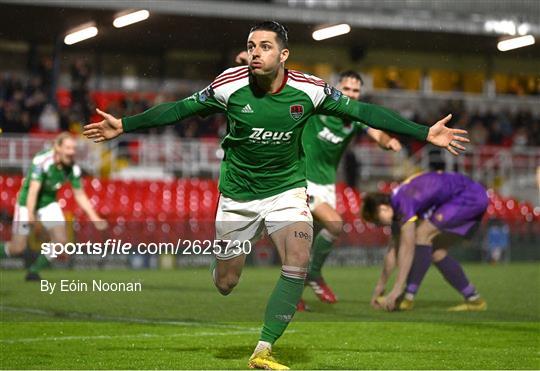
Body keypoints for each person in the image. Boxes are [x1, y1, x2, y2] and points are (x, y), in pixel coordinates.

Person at [83, 21, 469, 370]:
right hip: (237, 196)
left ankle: (263, 349)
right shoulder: (228, 85)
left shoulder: (310, 90)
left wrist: (423, 133)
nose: (255, 52)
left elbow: (364, 111)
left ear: (283, 55)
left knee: (297, 259)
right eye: (251, 46)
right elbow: (180, 110)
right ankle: (220, 265)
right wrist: (127, 125)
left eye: (265, 46)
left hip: (286, 190)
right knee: (226, 283)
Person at [300, 70, 401, 309]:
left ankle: (293, 295)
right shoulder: (318, 106)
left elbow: (376, 132)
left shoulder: (355, 118)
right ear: (337, 89)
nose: (352, 94)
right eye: (347, 89)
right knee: (334, 224)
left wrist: (388, 142)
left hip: (327, 186)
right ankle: (314, 274)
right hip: (302, 180)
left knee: (304, 242)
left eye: (356, 91)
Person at [362, 171, 487, 312]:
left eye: (377, 221)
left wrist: (397, 289)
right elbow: (392, 251)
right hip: (468, 196)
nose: (379, 225)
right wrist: (380, 286)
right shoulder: (396, 204)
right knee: (435, 252)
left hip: (468, 196)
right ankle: (474, 299)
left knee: (422, 235)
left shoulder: (402, 201)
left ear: (383, 208)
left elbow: (407, 248)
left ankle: (407, 297)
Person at [0, 132, 107, 280]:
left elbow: (80, 195)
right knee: (17, 248)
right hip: (27, 204)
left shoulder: (72, 168)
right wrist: (31, 216)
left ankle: (33, 271)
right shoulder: (42, 161)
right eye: (68, 148)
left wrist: (95, 218)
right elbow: (33, 191)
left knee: (61, 242)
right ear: (58, 147)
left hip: (49, 202)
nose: (72, 152)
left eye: (74, 148)